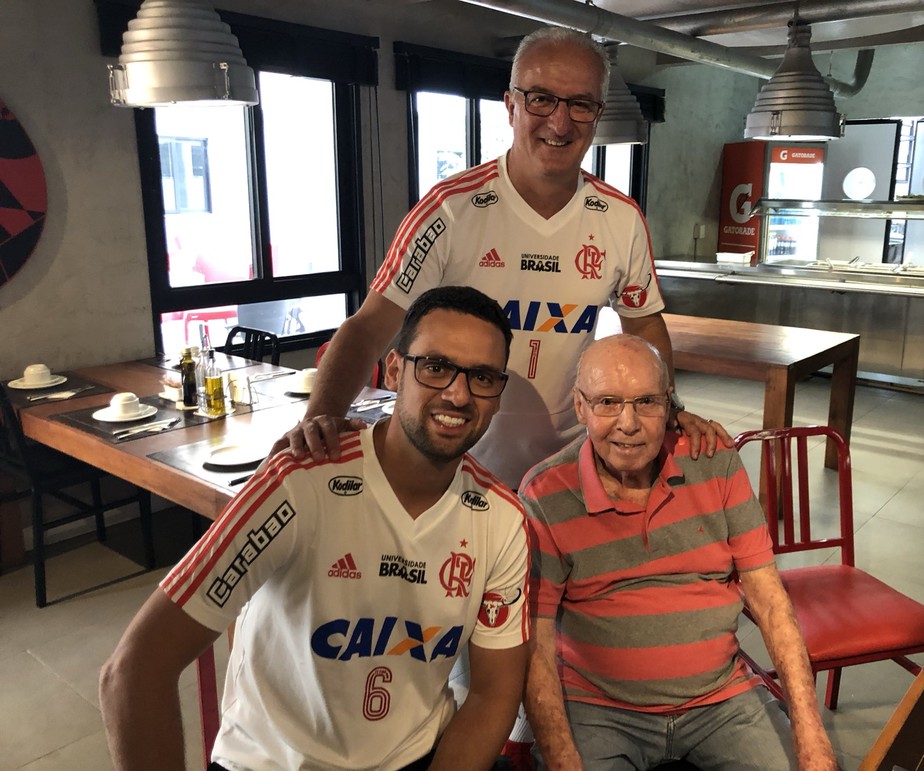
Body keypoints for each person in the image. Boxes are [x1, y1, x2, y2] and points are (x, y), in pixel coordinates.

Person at [278, 26, 731, 491]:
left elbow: (645, 327)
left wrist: (669, 408)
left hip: (566, 473)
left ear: (597, 114)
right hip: (454, 465)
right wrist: (320, 417)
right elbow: (370, 326)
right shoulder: (448, 210)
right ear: (511, 105)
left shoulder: (620, 217)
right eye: (540, 99)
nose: (560, 123)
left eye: (581, 104)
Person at [99, 286, 530, 771]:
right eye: (435, 367)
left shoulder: (502, 518)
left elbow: (495, 692)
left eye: (483, 377)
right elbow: (133, 674)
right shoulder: (298, 481)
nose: (458, 393)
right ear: (393, 370)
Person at [520, 334, 838, 771]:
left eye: (647, 402)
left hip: (722, 698)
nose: (628, 423)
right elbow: (535, 642)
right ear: (580, 407)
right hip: (598, 707)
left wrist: (810, 733)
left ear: (670, 405)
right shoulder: (545, 493)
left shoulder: (715, 461)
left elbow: (769, 599)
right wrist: (561, 759)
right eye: (608, 402)